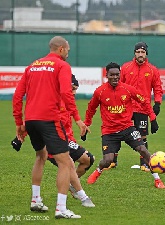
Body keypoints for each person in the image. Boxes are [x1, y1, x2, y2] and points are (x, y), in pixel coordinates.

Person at [12, 36, 89, 219]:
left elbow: (17, 95)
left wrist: (18, 123)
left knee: (41, 156)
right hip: (49, 120)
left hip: (31, 120)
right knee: (65, 162)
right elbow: (65, 92)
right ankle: (61, 208)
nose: (68, 53)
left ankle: (36, 200)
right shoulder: (62, 66)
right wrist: (77, 118)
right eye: (68, 50)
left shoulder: (32, 66)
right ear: (61, 49)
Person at [11, 75, 96, 206]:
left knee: (87, 160)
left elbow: (71, 117)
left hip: (67, 138)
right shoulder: (52, 100)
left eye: (76, 90)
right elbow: (38, 119)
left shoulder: (68, 101)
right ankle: (80, 196)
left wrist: (81, 125)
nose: (74, 92)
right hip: (54, 140)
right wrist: (21, 137)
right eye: (72, 88)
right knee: (69, 165)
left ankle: (70, 185)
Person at [85, 62, 165, 189]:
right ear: (107, 75)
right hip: (109, 132)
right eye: (112, 75)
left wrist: (153, 118)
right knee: (107, 160)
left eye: (117, 75)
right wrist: (86, 125)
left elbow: (144, 101)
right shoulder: (100, 92)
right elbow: (91, 109)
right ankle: (98, 171)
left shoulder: (128, 89)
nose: (115, 77)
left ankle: (157, 180)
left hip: (127, 128)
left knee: (143, 150)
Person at [110, 42, 163, 172]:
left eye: (143, 52)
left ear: (146, 54)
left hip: (142, 108)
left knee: (142, 136)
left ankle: (144, 163)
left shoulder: (152, 70)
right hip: (125, 108)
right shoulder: (126, 67)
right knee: (117, 133)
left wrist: (157, 102)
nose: (140, 54)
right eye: (138, 52)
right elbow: (118, 85)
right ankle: (112, 161)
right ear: (134, 53)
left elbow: (157, 88)